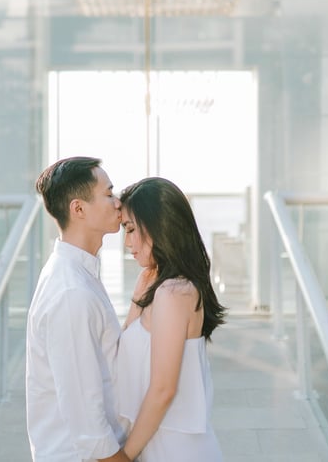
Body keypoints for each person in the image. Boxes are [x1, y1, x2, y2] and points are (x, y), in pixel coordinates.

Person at [26, 156, 130, 462]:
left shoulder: (77, 274)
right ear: (79, 208)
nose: (117, 203)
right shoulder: (71, 292)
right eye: (108, 194)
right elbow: (88, 424)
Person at [116, 176, 226, 462]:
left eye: (130, 229)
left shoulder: (174, 292)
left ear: (155, 226)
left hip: (176, 449)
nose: (127, 243)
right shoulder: (150, 281)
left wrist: (123, 457)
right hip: (152, 442)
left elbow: (164, 389)